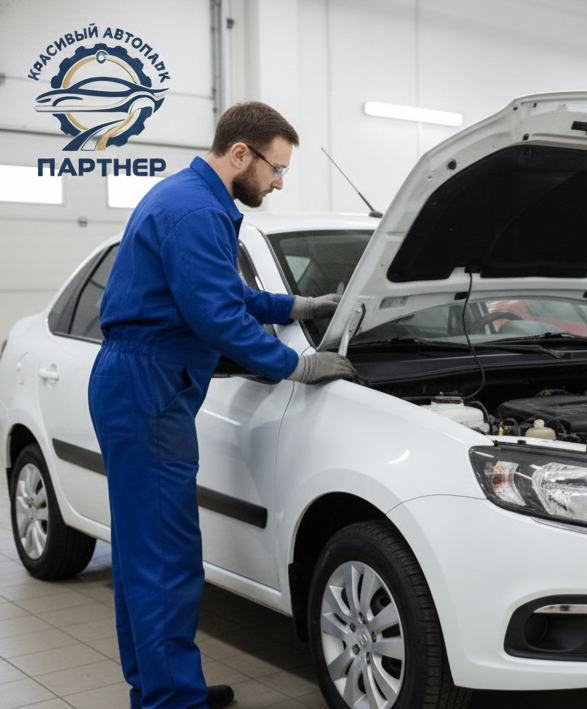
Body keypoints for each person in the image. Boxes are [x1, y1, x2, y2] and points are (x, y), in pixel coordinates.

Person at [87, 101, 357, 709]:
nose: (278, 183)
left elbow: (219, 287)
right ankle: (172, 701)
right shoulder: (194, 210)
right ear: (241, 154)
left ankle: (160, 689)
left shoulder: (191, 199)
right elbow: (214, 317)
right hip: (147, 386)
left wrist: (294, 308)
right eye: (275, 169)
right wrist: (300, 363)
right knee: (165, 559)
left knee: (141, 554)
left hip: (141, 380)